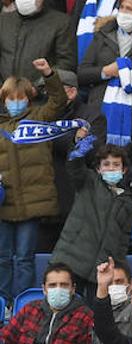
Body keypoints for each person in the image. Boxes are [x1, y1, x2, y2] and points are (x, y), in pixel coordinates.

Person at [0, 58, 67, 304]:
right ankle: (4, 303)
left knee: (24, 258)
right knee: (3, 257)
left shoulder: (40, 117)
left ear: (28, 98)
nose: (15, 103)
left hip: (32, 203)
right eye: (10, 98)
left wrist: (49, 74)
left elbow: (59, 101)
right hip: (4, 204)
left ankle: (22, 303)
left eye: (19, 98)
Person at [50, 144, 132, 286]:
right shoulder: (88, 181)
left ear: (124, 170)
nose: (111, 168)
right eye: (106, 164)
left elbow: (123, 241)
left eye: (116, 164)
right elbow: (75, 166)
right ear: (98, 169)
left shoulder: (129, 203)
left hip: (101, 269)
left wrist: (117, 267)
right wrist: (78, 144)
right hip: (70, 261)